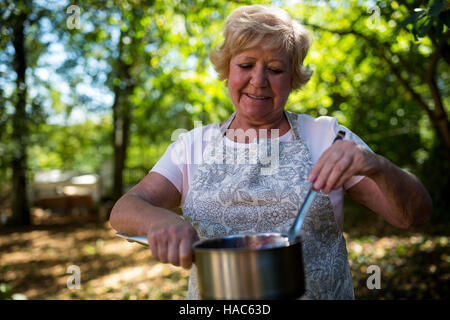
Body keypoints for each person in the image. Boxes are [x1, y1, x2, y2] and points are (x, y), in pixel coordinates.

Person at [110, 5, 432, 299]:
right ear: (227, 70)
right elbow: (125, 208)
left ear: (293, 79)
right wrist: (158, 221)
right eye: (246, 65)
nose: (259, 80)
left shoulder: (327, 137)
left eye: (276, 69)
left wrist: (377, 166)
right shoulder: (193, 145)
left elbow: (413, 216)